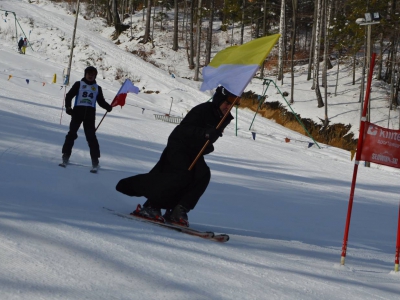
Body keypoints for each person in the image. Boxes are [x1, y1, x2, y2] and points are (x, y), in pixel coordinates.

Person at [116, 86, 240, 226]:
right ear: (219, 100)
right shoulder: (203, 110)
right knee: (180, 175)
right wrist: (205, 133)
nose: (229, 107)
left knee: (203, 174)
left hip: (193, 151)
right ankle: (151, 205)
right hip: (179, 145)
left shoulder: (224, 117)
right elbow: (184, 129)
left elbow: (210, 138)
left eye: (232, 104)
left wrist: (208, 143)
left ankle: (179, 209)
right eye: (227, 103)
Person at [61, 66, 112, 168]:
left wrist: (108, 107)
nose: (90, 76)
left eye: (93, 74)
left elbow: (101, 101)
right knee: (71, 134)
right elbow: (69, 96)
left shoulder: (97, 88)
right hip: (77, 113)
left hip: (90, 116)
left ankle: (95, 161)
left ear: (95, 76)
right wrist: (68, 107)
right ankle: (65, 156)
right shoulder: (79, 84)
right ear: (85, 74)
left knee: (91, 138)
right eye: (89, 73)